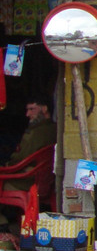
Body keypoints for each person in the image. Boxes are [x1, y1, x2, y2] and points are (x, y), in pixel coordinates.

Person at [1, 95, 56, 231]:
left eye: (32, 109)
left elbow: (18, 159)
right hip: (46, 182)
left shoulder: (35, 133)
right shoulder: (56, 129)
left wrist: (5, 166)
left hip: (28, 182)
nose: (27, 114)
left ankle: (2, 223)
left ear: (44, 109)